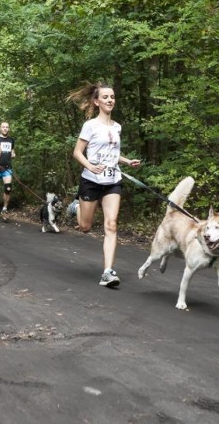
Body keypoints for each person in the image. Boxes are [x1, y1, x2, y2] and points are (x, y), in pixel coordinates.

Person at [68, 82, 141, 288]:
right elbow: (77, 153)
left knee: (111, 224)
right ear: (96, 101)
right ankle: (77, 207)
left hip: (112, 180)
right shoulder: (90, 125)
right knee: (85, 227)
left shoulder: (117, 126)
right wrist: (90, 167)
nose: (110, 100)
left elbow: (113, 155)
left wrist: (127, 162)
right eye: (106, 97)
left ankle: (108, 272)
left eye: (112, 97)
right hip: (91, 180)